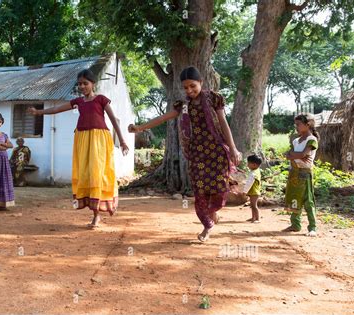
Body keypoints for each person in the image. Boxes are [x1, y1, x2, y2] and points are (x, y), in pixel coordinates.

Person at [128, 66, 241, 242]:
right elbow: (164, 118)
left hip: (218, 152)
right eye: (185, 87)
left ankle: (213, 210)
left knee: (219, 189)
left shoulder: (213, 98)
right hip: (197, 154)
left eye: (192, 86)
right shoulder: (184, 105)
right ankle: (207, 226)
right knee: (200, 191)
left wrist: (233, 148)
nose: (189, 90)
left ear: (201, 83)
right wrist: (140, 128)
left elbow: (223, 123)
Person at [28, 69, 129, 229]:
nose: (82, 86)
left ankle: (100, 213)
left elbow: (113, 120)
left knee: (98, 173)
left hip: (99, 139)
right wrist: (38, 112)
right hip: (82, 139)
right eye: (80, 84)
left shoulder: (101, 99)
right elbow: (56, 109)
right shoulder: (78, 102)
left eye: (85, 83)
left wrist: (122, 141)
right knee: (85, 174)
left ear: (93, 84)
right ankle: (94, 212)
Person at [283, 113, 319, 237]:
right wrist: (298, 156)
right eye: (295, 124)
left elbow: (304, 155)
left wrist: (295, 155)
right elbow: (289, 155)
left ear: (307, 125)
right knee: (294, 198)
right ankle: (295, 224)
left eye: (298, 124)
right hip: (294, 172)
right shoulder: (296, 140)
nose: (296, 127)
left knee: (308, 200)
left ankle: (312, 227)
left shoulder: (312, 140)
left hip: (305, 173)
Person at [244, 154, 262, 223]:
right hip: (254, 191)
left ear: (254, 165)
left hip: (254, 192)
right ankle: (253, 217)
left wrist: (244, 191)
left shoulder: (253, 173)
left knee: (254, 206)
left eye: (249, 163)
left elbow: (249, 183)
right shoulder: (257, 171)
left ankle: (257, 219)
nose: (247, 165)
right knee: (252, 205)